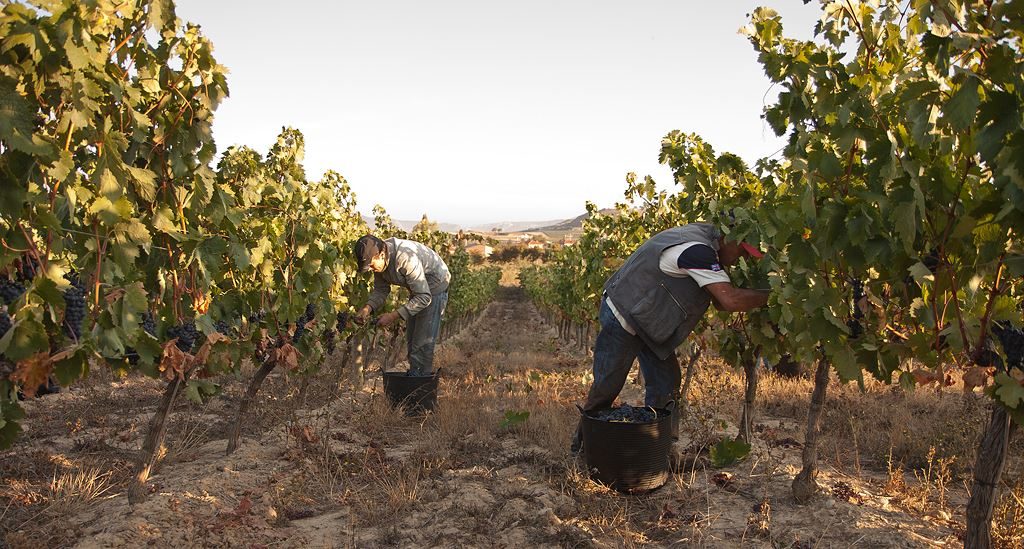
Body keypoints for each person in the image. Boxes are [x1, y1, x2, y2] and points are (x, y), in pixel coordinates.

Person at [571, 222, 769, 453]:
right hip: (624, 312)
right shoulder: (697, 252)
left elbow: (719, 301)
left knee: (666, 381)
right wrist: (776, 299)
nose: (741, 259)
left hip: (648, 319)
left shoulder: (707, 247)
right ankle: (583, 448)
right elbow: (729, 300)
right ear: (728, 238)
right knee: (608, 384)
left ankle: (659, 450)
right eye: (743, 251)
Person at [353, 234, 451, 376]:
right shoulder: (379, 261)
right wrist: (367, 309)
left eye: (372, 265)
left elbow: (424, 297)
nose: (372, 269)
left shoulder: (404, 258)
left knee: (422, 345)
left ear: (381, 254)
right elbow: (381, 290)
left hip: (434, 287)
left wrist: (393, 316)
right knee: (412, 343)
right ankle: (414, 381)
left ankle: (421, 390)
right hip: (419, 290)